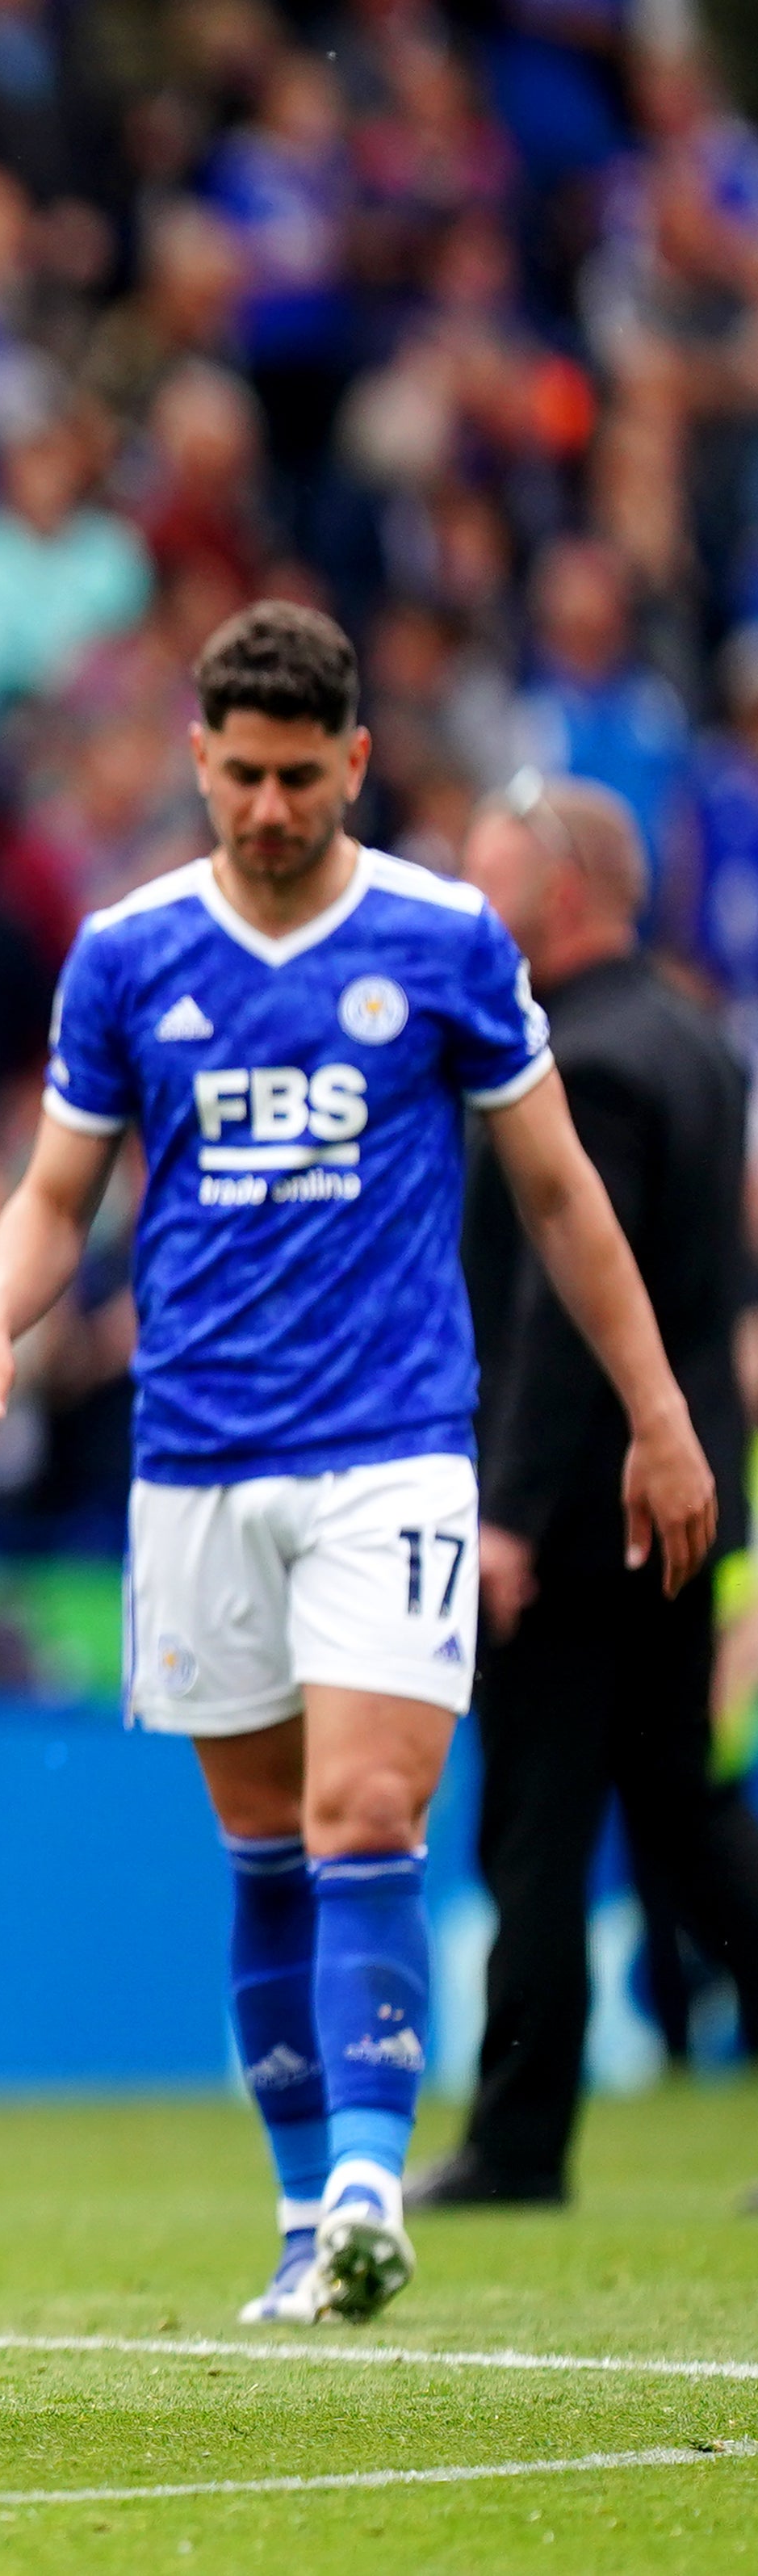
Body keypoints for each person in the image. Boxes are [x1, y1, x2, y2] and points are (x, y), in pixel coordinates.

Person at [0, 604, 717, 2327]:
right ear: (195, 761)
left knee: (369, 1813)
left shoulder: (440, 939)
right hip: (195, 1464)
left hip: (389, 1455)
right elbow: (58, 1193)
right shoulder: (127, 952)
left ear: (351, 763)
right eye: (238, 775)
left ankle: (366, 2178)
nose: (267, 807)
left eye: (298, 776)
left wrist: (658, 1415)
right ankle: (305, 2219)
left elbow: (560, 1194)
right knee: (262, 1848)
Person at [427, 777, 758, 2208]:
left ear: (556, 892)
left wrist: (503, 1505)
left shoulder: (579, 1062)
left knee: (538, 1824)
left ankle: (515, 2136)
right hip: (675, 1497)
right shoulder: (688, 1036)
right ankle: (517, 2125)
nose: (469, 912)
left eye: (486, 882)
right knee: (681, 1815)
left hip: (577, 1514)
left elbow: (569, 1308)